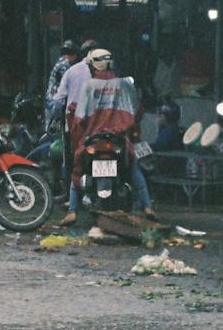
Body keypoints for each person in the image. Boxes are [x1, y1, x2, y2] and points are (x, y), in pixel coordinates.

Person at [59, 48, 156, 225]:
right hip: (119, 139)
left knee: (77, 170)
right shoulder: (125, 84)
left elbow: (79, 117)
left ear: (93, 66)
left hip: (93, 139)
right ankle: (147, 205)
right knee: (133, 168)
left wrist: (76, 136)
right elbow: (137, 111)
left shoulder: (89, 86)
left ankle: (72, 211)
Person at [43, 39, 79, 134]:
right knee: (57, 135)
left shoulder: (60, 63)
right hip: (57, 105)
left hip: (55, 103)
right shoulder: (65, 66)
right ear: (74, 55)